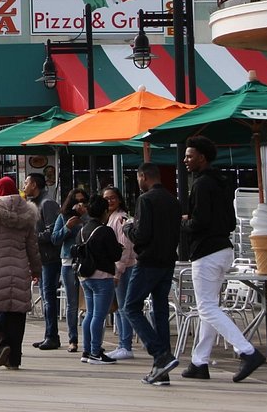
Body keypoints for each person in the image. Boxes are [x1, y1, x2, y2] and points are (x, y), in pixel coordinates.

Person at [181, 135, 266, 383]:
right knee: (209, 306)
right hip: (224, 250)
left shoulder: (200, 185)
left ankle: (247, 351)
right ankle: (200, 362)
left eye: (190, 156)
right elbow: (229, 221)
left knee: (206, 307)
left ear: (202, 158)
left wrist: (185, 223)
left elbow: (201, 222)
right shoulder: (222, 182)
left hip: (206, 253)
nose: (185, 160)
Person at [123, 162, 183, 387]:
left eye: (138, 178)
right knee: (160, 311)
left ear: (143, 177)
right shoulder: (172, 200)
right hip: (167, 261)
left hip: (148, 261)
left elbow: (141, 234)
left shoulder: (145, 200)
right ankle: (162, 370)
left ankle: (160, 354)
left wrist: (127, 228)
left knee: (131, 307)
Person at [0, 176, 41, 370]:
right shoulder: (27, 215)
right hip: (20, 269)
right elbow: (32, 247)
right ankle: (14, 360)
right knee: (16, 316)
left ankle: (0, 345)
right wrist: (36, 270)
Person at [78, 195, 124, 365]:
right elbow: (115, 254)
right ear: (105, 212)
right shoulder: (105, 231)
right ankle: (96, 352)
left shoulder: (83, 229)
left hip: (85, 276)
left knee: (89, 314)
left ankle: (87, 350)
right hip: (102, 276)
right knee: (99, 315)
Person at [23, 172, 63, 350]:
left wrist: (33, 237)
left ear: (34, 185)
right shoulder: (34, 203)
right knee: (46, 296)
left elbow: (53, 233)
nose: (24, 186)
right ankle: (49, 334)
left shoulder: (47, 204)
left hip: (51, 258)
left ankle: (52, 335)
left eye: (26, 182)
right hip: (42, 258)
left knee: (49, 297)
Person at [51, 187, 90, 353]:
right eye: (76, 201)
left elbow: (95, 232)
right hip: (68, 261)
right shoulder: (63, 216)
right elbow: (55, 238)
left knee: (89, 301)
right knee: (72, 303)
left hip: (87, 262)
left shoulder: (89, 218)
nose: (79, 205)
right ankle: (72, 339)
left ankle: (90, 339)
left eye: (82, 201)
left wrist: (86, 216)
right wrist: (67, 227)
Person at [102, 185, 137, 360]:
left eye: (112, 198)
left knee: (123, 307)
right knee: (119, 308)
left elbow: (125, 247)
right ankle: (123, 344)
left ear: (120, 199)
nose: (109, 201)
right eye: (106, 198)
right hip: (118, 268)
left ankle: (125, 345)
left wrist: (118, 271)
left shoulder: (121, 219)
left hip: (124, 268)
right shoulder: (111, 218)